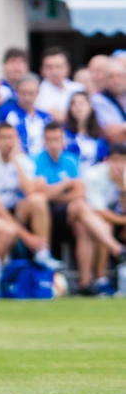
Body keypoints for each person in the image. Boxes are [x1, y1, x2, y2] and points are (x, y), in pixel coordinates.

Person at [0, 123, 62, 297]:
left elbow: (31, 192)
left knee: (37, 201)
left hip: (11, 211)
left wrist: (16, 162)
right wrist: (28, 238)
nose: (8, 142)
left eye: (11, 137)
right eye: (4, 138)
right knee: (7, 230)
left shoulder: (22, 161)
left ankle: (43, 253)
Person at [33, 122, 126, 295]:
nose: (54, 144)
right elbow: (38, 194)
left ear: (63, 141)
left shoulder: (70, 160)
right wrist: (65, 185)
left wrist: (122, 189)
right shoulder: (37, 160)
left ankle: (86, 283)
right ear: (44, 142)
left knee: (83, 226)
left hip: (72, 215)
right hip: (46, 217)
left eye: (57, 139)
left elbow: (78, 192)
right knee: (81, 207)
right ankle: (116, 249)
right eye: (50, 140)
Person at [83, 144, 126, 288]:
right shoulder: (94, 174)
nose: (118, 166)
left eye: (122, 161)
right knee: (104, 225)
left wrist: (122, 188)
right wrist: (123, 221)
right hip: (92, 218)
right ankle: (100, 279)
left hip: (116, 222)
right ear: (107, 160)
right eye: (114, 160)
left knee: (107, 225)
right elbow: (98, 210)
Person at [0, 73, 53, 158]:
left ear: (37, 93)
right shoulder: (5, 113)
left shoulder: (46, 118)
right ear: (17, 92)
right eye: (23, 93)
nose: (27, 98)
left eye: (30, 93)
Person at [35, 47, 84, 122]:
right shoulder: (36, 92)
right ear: (42, 70)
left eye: (58, 66)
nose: (54, 72)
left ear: (67, 68)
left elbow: (86, 115)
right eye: (49, 67)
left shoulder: (79, 88)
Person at [64, 91, 109, 171]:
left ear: (90, 106)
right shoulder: (64, 134)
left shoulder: (100, 135)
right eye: (73, 104)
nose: (78, 107)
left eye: (81, 103)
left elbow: (104, 160)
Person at [90, 57, 126, 145]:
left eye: (119, 76)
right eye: (111, 76)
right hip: (114, 153)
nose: (116, 81)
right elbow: (111, 133)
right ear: (105, 80)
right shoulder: (98, 100)